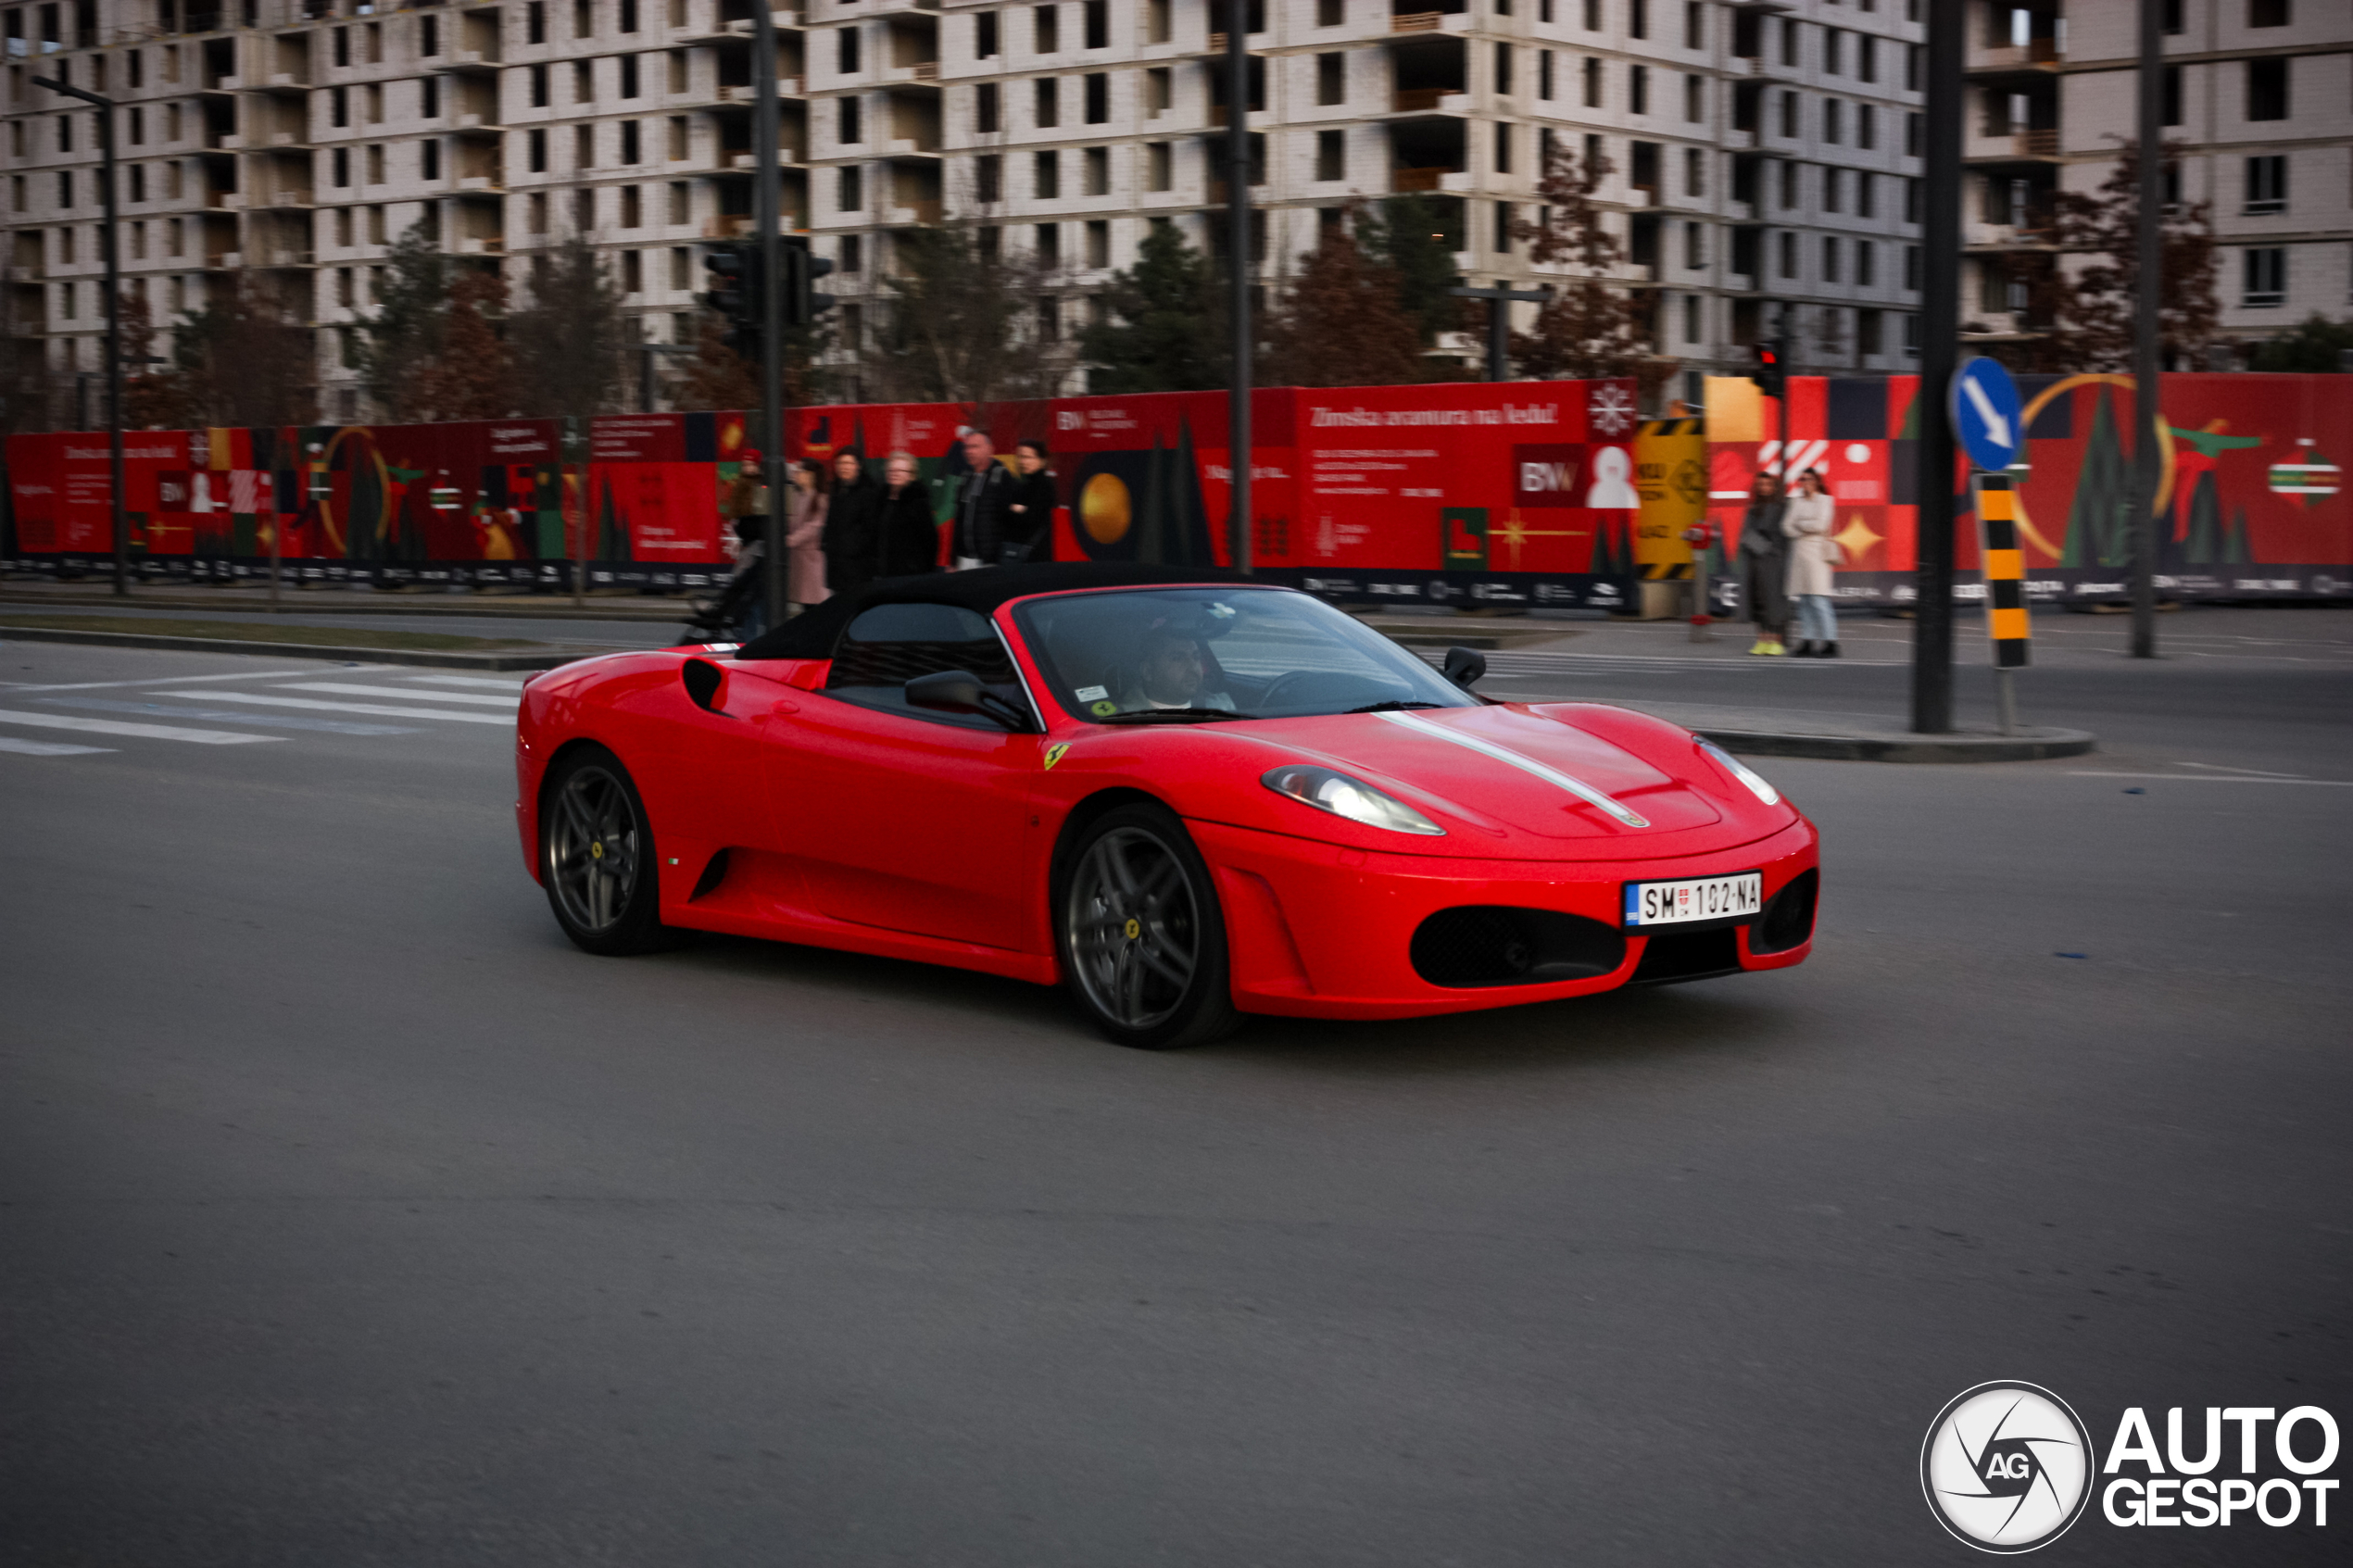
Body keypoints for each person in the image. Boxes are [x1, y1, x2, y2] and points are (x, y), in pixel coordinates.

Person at [1782, 468, 1842, 658]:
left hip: (1817, 556)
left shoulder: (1825, 500)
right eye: (1802, 479)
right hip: (1800, 555)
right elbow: (1785, 526)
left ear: (1816, 481)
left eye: (1808, 479)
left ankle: (1831, 642)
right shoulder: (1796, 502)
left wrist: (1800, 525)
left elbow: (1821, 525)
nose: (1804, 482)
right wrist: (1805, 528)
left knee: (1819, 599)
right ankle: (1807, 641)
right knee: (1805, 601)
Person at [1117, 621, 1236, 713]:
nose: (1192, 666)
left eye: (1196, 657)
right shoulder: (1119, 717)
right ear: (1148, 671)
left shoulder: (1223, 707)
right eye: (1177, 658)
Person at [1736, 470, 1791, 656]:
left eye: (1768, 485)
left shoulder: (1781, 508)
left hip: (1774, 562)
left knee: (1773, 601)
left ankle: (1776, 641)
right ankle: (1762, 640)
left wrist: (1765, 547)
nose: (1764, 488)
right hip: (1755, 562)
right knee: (1758, 600)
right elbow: (1745, 534)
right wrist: (1756, 544)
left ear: (1774, 487)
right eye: (1761, 485)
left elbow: (1784, 538)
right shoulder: (1753, 509)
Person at [949, 428, 1017, 570]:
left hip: (990, 561)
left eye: (974, 447)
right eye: (967, 447)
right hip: (964, 560)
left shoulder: (1001, 476)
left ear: (989, 449)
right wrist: (953, 561)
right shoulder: (965, 478)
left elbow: (1010, 520)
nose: (969, 451)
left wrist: (1000, 557)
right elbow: (959, 521)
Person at [822, 448, 881, 598]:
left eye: (848, 463)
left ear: (858, 465)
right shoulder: (836, 490)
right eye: (840, 463)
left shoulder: (869, 492)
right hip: (836, 564)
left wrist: (852, 548)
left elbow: (872, 530)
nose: (844, 467)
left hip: (857, 567)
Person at [875, 452, 941, 579]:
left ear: (911, 475)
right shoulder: (880, 500)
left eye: (900, 470)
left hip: (909, 576)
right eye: (891, 470)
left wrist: (921, 571)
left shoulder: (918, 503)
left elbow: (930, 542)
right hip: (883, 574)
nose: (895, 473)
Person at [784, 458, 829, 614]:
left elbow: (814, 526)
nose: (795, 474)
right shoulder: (796, 496)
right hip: (799, 558)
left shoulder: (820, 498)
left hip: (812, 559)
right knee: (805, 603)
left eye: (800, 471)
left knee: (814, 603)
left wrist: (791, 540)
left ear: (810, 475)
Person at [1001, 439, 1057, 564]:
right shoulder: (1021, 484)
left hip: (1035, 555)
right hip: (1019, 553)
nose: (1022, 462)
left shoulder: (1044, 485)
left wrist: (1015, 509)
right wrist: (1018, 509)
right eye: (1020, 457)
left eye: (1027, 457)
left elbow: (1031, 517)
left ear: (1041, 461)